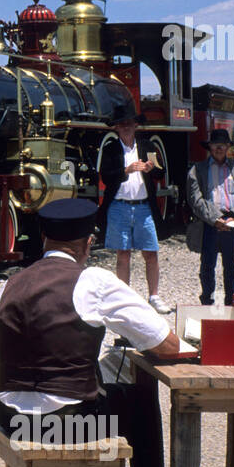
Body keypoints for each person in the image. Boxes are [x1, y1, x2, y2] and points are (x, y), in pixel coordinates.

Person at [0, 198, 178, 467]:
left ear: (44, 237)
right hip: (64, 428)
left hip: (13, 420)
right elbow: (164, 344)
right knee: (138, 396)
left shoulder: (14, 282)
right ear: (88, 243)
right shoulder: (94, 280)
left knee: (80, 384)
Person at [97, 104, 171, 314]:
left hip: (143, 207)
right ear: (116, 128)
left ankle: (154, 296)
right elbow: (106, 176)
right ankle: (124, 297)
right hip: (119, 206)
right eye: (122, 124)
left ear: (136, 125)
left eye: (129, 123)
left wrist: (151, 168)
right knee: (123, 253)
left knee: (151, 252)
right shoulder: (111, 149)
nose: (126, 127)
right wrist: (126, 171)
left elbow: (160, 172)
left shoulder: (147, 146)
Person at [185, 128, 234, 306]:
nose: (219, 148)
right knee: (207, 265)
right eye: (215, 145)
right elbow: (195, 198)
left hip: (232, 223)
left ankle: (232, 300)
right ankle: (207, 299)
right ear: (210, 147)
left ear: (229, 147)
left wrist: (233, 218)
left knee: (232, 265)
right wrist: (214, 219)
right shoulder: (197, 170)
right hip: (209, 223)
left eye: (222, 145)